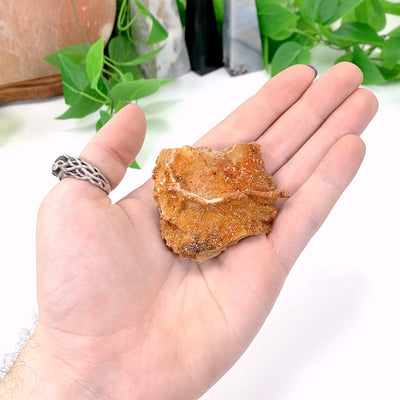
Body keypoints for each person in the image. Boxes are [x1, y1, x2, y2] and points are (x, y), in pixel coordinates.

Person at [0, 62, 378, 400]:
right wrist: (69, 360)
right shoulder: (176, 184)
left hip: (241, 206)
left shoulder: (245, 184)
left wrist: (65, 369)